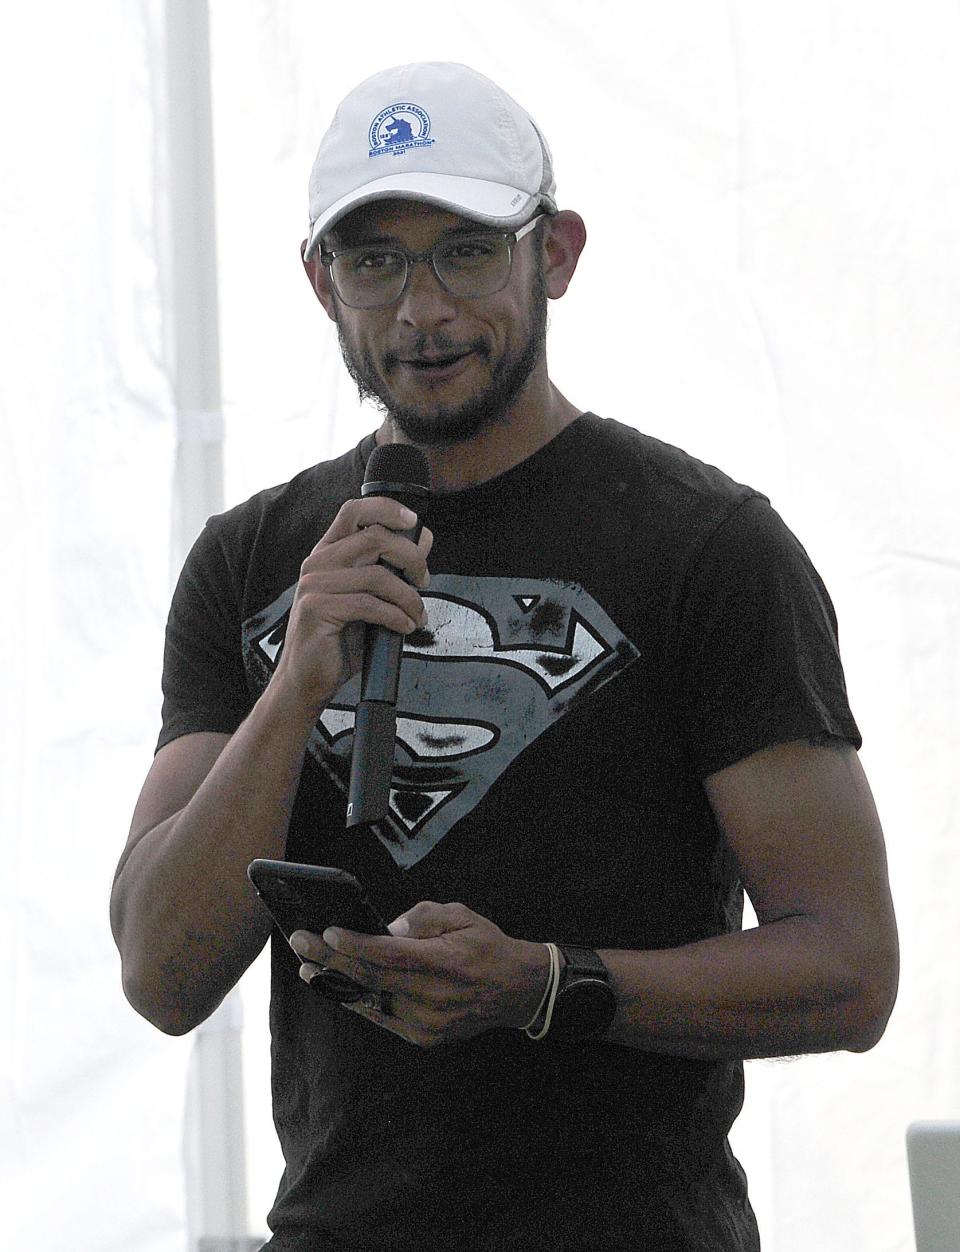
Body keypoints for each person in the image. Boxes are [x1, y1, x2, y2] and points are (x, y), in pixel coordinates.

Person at [110, 61, 899, 1250]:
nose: (421, 310)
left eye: (466, 251)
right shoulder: (252, 559)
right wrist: (296, 682)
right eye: (375, 261)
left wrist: (544, 984)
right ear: (322, 283)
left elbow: (850, 970)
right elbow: (162, 976)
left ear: (558, 255)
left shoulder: (708, 547)